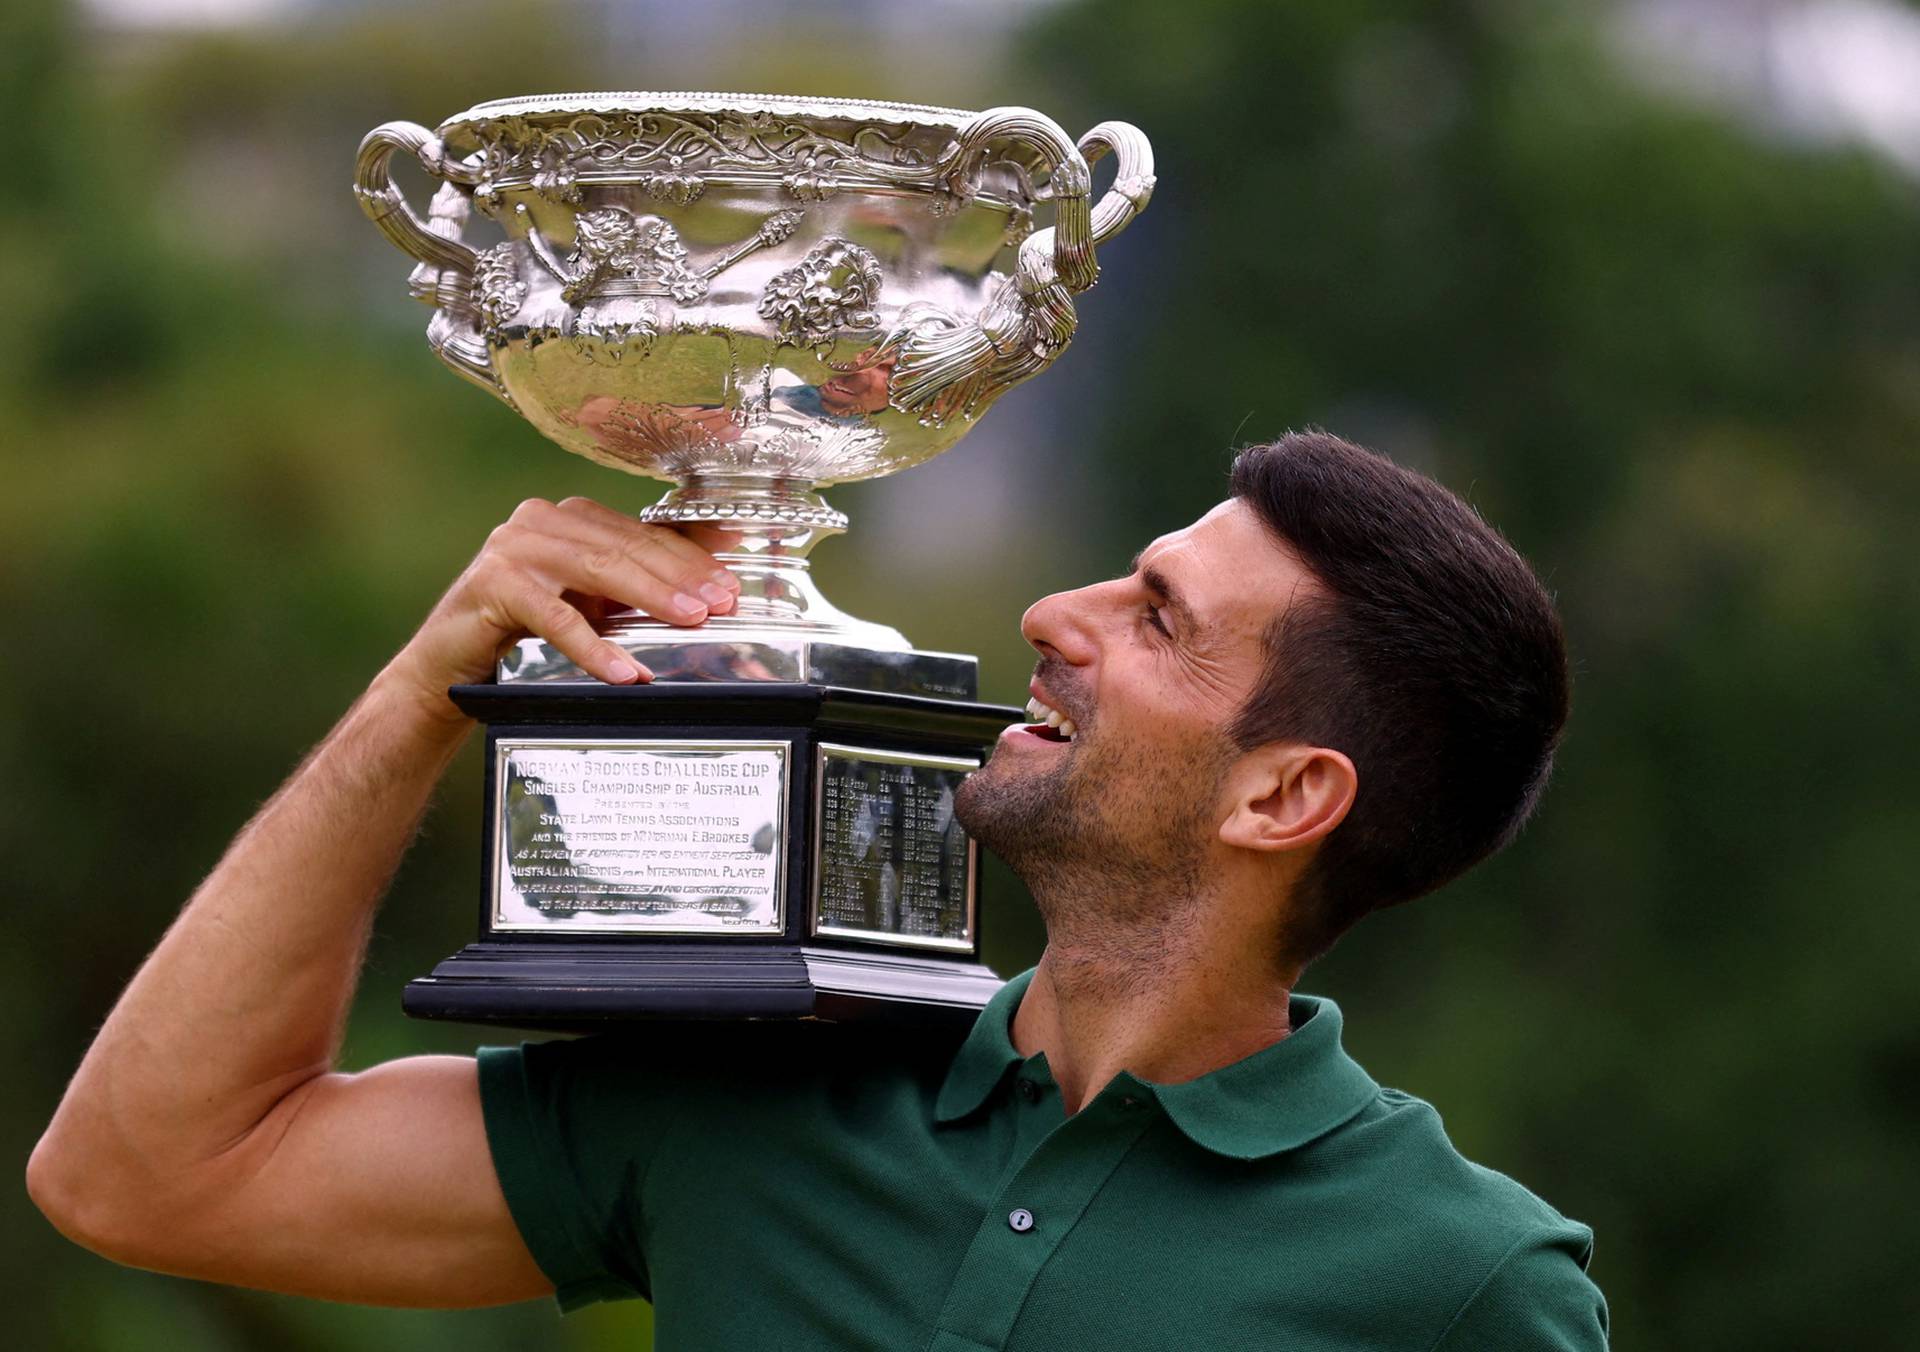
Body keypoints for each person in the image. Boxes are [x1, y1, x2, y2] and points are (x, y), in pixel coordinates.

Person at [28, 431, 1608, 1349]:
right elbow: (145, 1175)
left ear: (1287, 795)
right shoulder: (758, 1082)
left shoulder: (1464, 1283)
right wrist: (427, 694)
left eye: (1156, 617)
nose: (1057, 614)